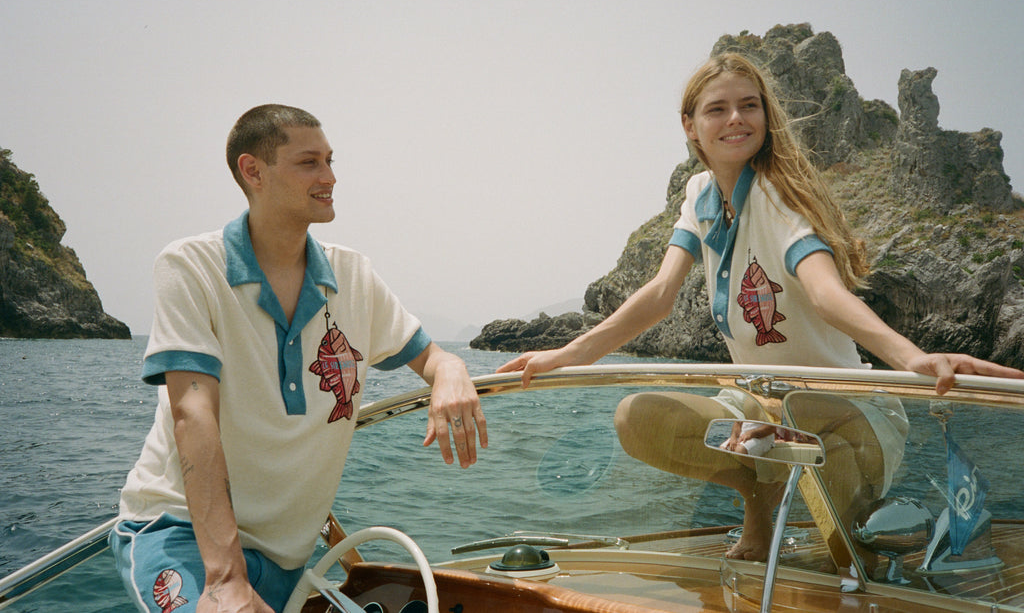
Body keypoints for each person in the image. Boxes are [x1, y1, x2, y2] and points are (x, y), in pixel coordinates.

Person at [497, 52, 1024, 563]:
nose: (736, 119)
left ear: (766, 117)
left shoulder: (779, 196)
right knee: (637, 418)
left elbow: (825, 294)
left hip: (845, 414)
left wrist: (912, 359)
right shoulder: (699, 193)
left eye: (750, 105)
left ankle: (848, 520)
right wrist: (564, 355)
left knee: (846, 554)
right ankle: (758, 503)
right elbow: (659, 295)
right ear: (690, 126)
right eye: (717, 109)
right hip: (762, 409)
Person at [110, 104, 488, 613]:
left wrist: (452, 371)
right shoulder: (190, 267)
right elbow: (191, 413)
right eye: (309, 162)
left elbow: (432, 357)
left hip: (292, 558)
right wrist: (224, 580)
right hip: (182, 535)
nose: (330, 176)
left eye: (330, 160)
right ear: (253, 171)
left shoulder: (353, 276)